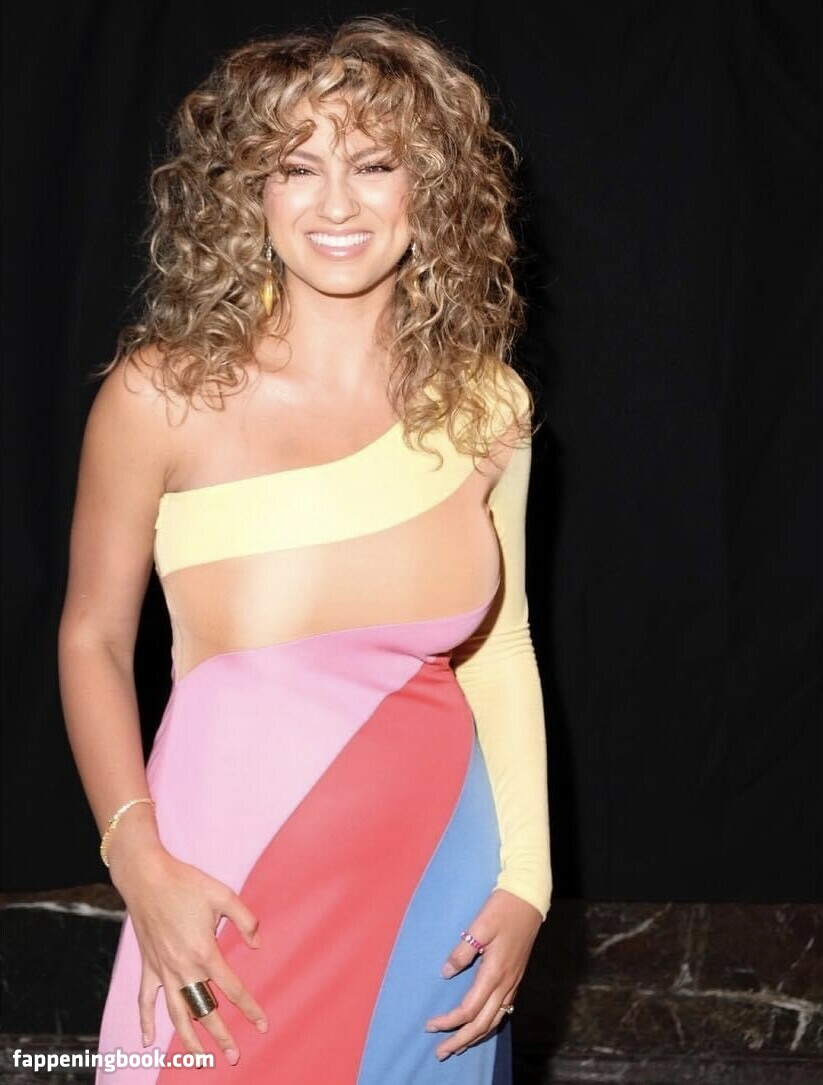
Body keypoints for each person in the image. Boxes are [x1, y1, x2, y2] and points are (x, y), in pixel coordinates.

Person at [58, 15, 552, 1083]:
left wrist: (527, 882)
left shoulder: (489, 405)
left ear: (431, 189)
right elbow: (93, 637)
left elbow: (501, 651)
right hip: (218, 886)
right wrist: (136, 859)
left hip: (439, 892)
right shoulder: (162, 395)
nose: (336, 203)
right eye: (296, 166)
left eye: (374, 164)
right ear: (250, 191)